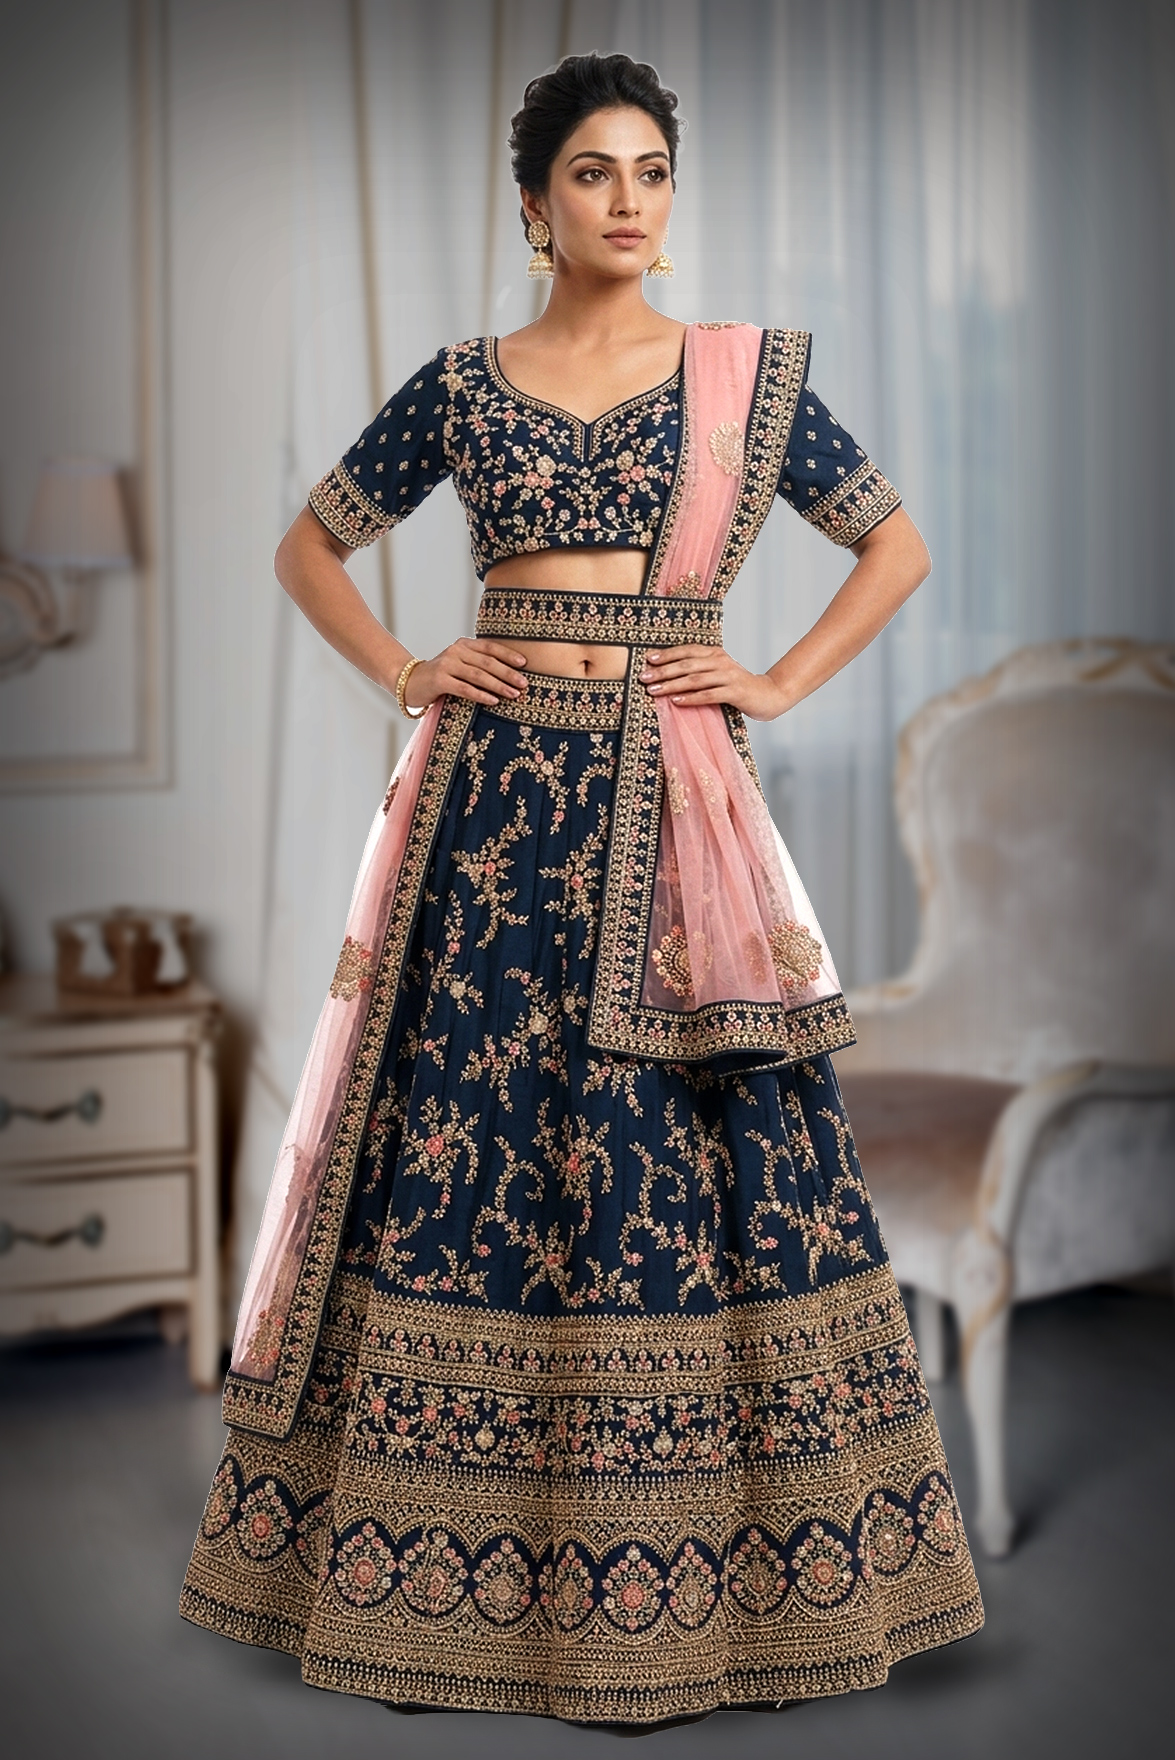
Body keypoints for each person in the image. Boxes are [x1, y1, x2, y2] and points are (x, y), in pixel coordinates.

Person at [182, 51, 983, 1731]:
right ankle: (430, 1584)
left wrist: (774, 681)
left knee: (672, 1154)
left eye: (652, 172)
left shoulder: (742, 379)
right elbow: (307, 546)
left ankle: (696, 1589)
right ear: (535, 202)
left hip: (668, 807)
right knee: (469, 1150)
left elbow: (896, 547)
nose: (629, 201)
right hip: (486, 815)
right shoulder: (463, 385)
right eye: (595, 173)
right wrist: (410, 668)